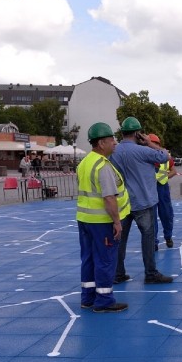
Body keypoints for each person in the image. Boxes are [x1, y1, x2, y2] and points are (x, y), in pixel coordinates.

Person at [110, 116, 173, 285]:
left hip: (122, 202)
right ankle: (150, 273)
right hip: (144, 201)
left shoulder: (113, 152)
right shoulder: (143, 151)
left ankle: (118, 273)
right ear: (138, 133)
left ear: (122, 133)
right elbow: (165, 155)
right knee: (148, 237)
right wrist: (149, 142)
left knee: (120, 239)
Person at [76, 122, 130, 313]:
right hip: (101, 222)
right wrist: (117, 222)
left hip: (84, 220)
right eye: (111, 140)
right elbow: (109, 198)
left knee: (88, 258)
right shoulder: (103, 166)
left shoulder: (85, 162)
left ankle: (88, 298)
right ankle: (104, 300)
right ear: (101, 143)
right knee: (105, 260)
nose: (115, 143)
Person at [148, 133, 176, 249]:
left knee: (167, 215)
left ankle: (168, 237)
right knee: (151, 217)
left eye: (155, 144)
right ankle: (154, 242)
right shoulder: (145, 158)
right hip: (150, 189)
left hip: (162, 189)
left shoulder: (165, 158)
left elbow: (174, 171)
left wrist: (166, 177)